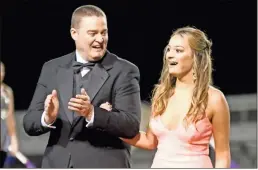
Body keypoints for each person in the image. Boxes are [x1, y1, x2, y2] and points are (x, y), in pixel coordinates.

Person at [22, 5, 141, 168]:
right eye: (93, 33)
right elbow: (29, 122)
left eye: (104, 32)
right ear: (74, 34)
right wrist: (47, 117)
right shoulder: (52, 68)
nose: (100, 39)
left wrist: (92, 113)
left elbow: (131, 126)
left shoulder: (125, 71)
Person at [101, 26, 231, 168]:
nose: (169, 55)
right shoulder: (162, 94)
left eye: (178, 50)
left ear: (196, 56)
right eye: (168, 49)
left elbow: (223, 154)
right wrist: (111, 122)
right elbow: (150, 142)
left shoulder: (214, 99)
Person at [0, 62, 19, 167]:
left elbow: (10, 116)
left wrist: (13, 139)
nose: (0, 74)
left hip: (3, 139)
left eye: (2, 71)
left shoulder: (7, 91)